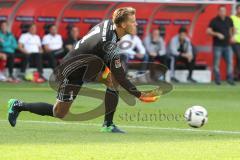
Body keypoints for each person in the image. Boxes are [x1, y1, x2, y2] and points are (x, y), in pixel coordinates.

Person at [7, 7, 159, 133]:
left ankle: (108, 125)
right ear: (123, 25)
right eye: (133, 21)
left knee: (112, 82)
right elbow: (120, 74)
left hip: (87, 64)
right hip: (71, 70)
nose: (137, 24)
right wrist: (139, 95)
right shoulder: (109, 45)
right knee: (59, 112)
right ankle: (18, 105)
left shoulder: (108, 24)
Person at [207, 5, 235, 85]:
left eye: (224, 11)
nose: (223, 12)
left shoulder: (229, 20)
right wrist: (217, 34)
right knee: (216, 64)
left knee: (230, 62)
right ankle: (217, 80)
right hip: (217, 45)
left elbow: (231, 29)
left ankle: (230, 79)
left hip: (227, 45)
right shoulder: (214, 20)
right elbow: (208, 31)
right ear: (218, 11)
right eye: (221, 11)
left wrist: (232, 36)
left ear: (226, 11)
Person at [231, 4, 240, 81]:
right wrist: (231, 36)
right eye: (239, 9)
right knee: (239, 56)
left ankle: (236, 76)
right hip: (235, 41)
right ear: (236, 10)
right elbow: (229, 29)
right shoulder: (232, 18)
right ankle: (236, 75)